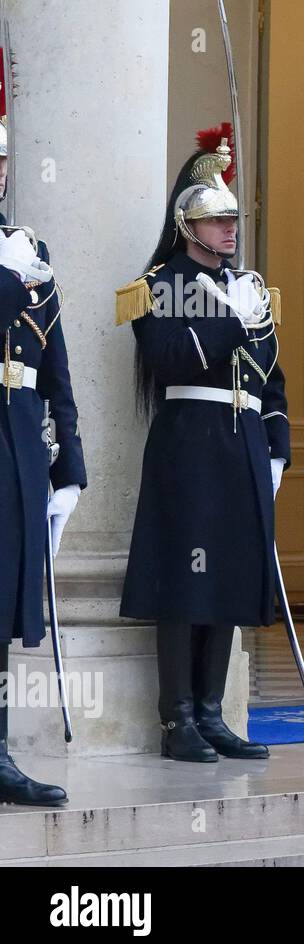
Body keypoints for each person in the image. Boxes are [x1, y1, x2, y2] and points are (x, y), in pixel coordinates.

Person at [117, 125, 287, 760]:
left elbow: (274, 375)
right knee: (186, 582)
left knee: (231, 577)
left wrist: (277, 444)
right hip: (190, 440)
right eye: (217, 221)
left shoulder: (250, 284)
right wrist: (230, 322)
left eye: (233, 220)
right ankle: (177, 720)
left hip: (242, 439)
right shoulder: (159, 285)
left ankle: (212, 712)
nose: (230, 230)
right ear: (188, 226)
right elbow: (170, 362)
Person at [0, 119, 87, 804]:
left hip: (21, 436)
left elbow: (55, 362)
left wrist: (71, 464)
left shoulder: (29, 248)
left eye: (2, 161)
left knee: (4, 600)